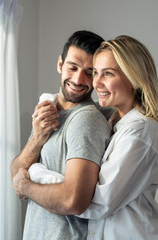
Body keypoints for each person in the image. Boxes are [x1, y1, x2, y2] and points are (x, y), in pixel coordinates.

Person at [14, 35, 158, 239]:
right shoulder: (112, 120)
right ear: (60, 64)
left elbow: (91, 201)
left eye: (107, 74)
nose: (96, 82)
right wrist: (47, 103)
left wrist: (33, 176)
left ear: (135, 79)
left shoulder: (140, 132)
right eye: (96, 73)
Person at [10, 31, 111, 239]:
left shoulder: (86, 120)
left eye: (89, 72)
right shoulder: (47, 111)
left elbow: (74, 200)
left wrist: (26, 187)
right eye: (72, 67)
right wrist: (37, 138)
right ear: (60, 64)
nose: (78, 79)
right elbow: (15, 171)